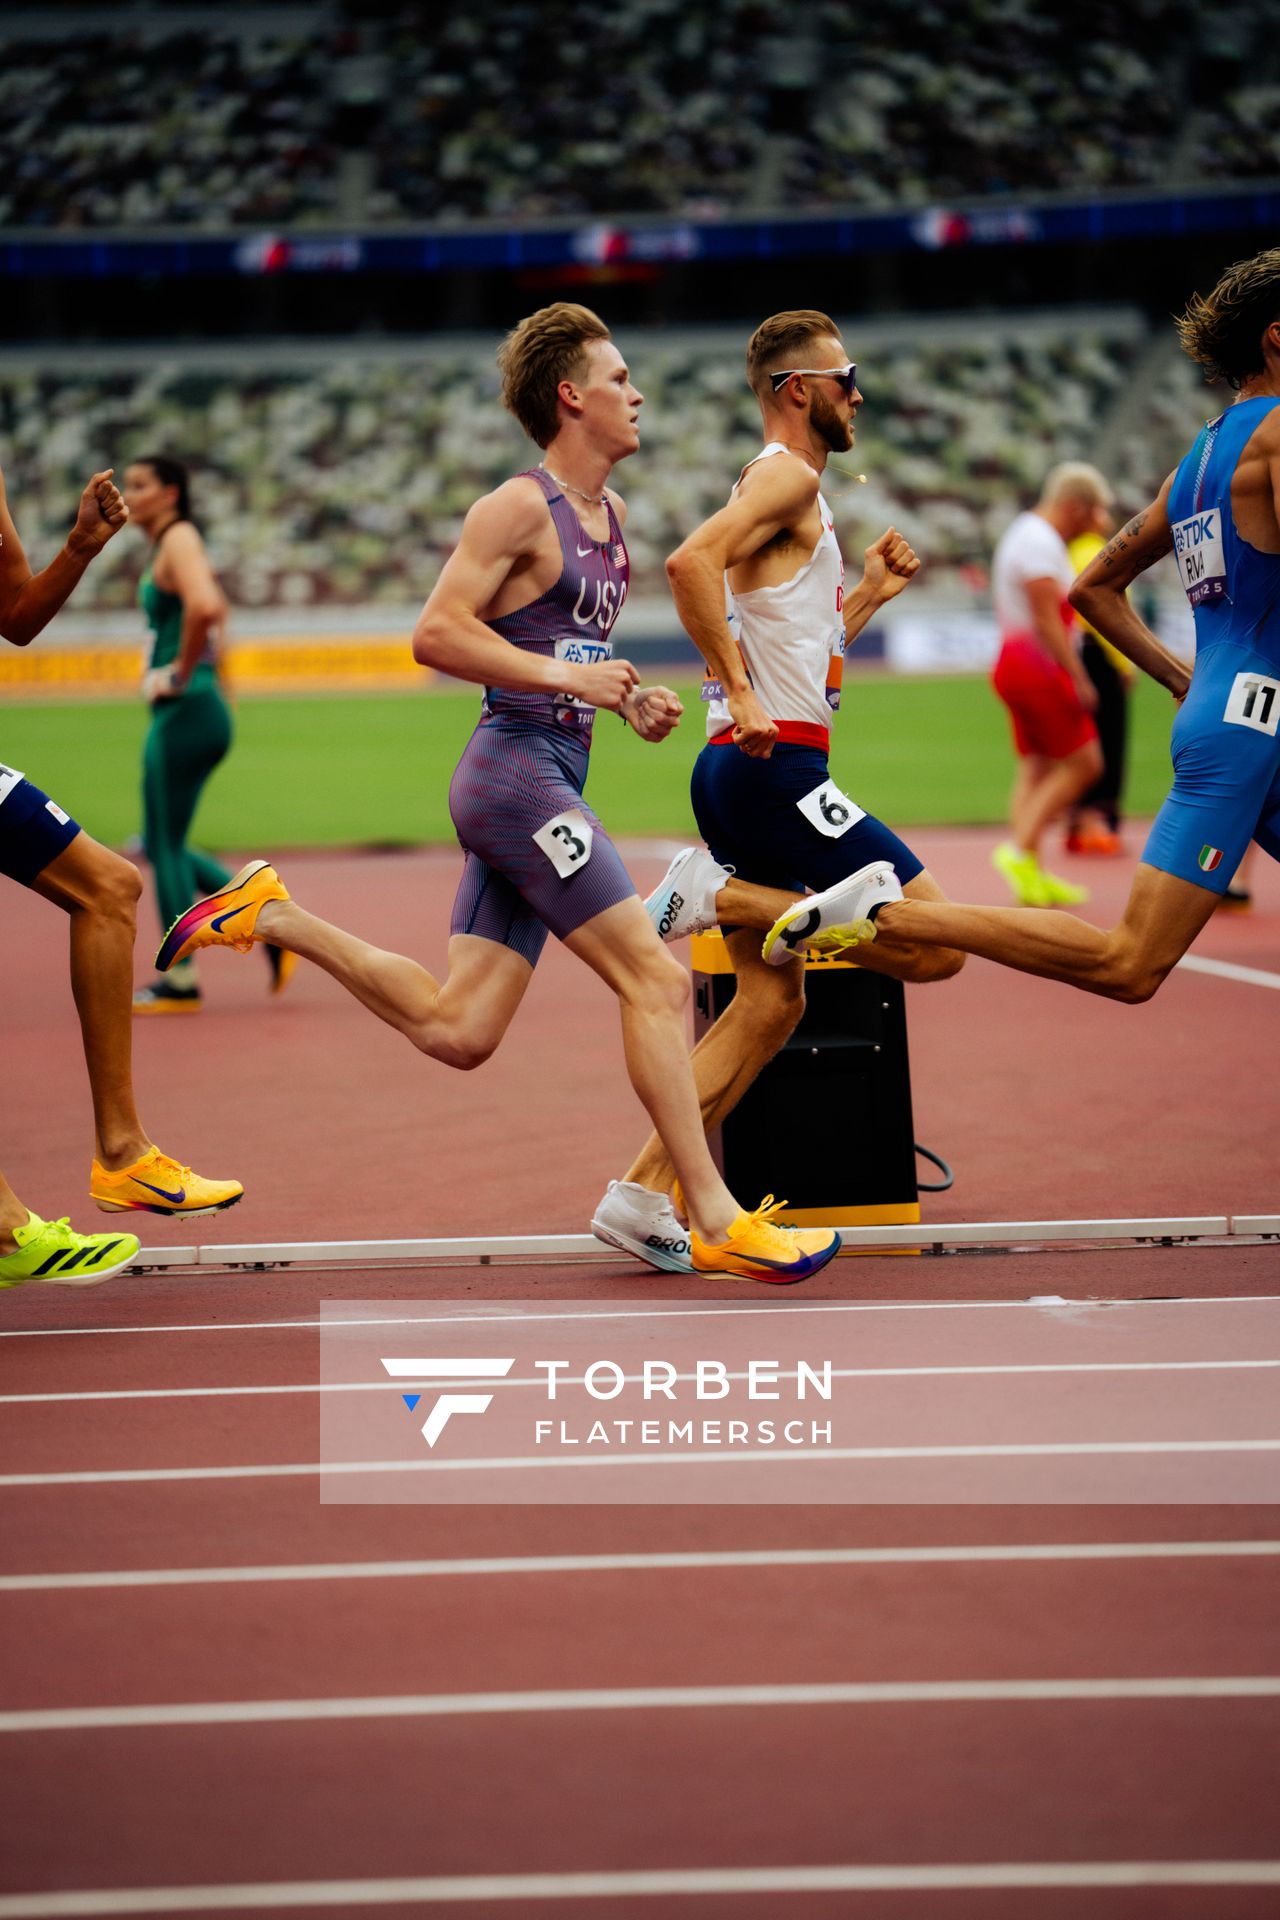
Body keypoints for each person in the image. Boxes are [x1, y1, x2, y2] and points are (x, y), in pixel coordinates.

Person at [152, 303, 841, 1284]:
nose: (637, 394)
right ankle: (713, 1212)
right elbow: (436, 634)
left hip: (546, 770)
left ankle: (275, 914)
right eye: (618, 380)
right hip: (511, 776)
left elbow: (557, 654)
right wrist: (569, 682)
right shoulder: (518, 506)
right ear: (571, 397)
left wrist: (621, 699)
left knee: (460, 1030)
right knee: (653, 977)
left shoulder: (612, 523)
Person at [784, 247, 1280, 1010]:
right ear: (1276, 339)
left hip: (1224, 712)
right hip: (1256, 718)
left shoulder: (1199, 458)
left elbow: (1094, 587)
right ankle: (889, 913)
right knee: (1129, 962)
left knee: (1128, 958)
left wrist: (1188, 682)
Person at [590, 309, 963, 1273]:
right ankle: (716, 894)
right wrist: (746, 694)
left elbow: (792, 629)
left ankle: (640, 1194)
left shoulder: (790, 491)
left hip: (749, 772)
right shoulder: (786, 473)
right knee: (933, 941)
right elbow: (688, 564)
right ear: (797, 388)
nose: (858, 394)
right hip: (773, 771)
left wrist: (870, 592)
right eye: (847, 377)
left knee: (769, 1008)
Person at [0, 466, 243, 1292]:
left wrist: (78, 548)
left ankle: (122, 1155)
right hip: (183, 704)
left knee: (113, 884)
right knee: (135, 867)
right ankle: (11, 1225)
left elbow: (16, 619)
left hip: (183, 707)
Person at [123, 456, 292, 1013]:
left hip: (187, 706)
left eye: (141, 485)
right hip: (195, 704)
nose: (130, 494)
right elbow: (210, 611)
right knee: (159, 839)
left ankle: (181, 979)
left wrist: (181, 672)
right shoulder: (171, 542)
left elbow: (206, 604)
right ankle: (273, 922)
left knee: (164, 845)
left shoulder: (179, 537)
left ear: (171, 492)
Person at [987, 464, 1110, 906]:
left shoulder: (1026, 533)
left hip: (1016, 661)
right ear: (1073, 506)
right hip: (1037, 665)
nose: (1097, 523)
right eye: (1092, 512)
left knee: (1036, 765)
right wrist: (1079, 678)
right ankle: (1020, 852)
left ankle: (1029, 872)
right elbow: (1047, 619)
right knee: (1086, 764)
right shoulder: (1040, 542)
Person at [1065, 495, 1135, 856]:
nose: (1107, 517)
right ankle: (1096, 821)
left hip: (1079, 652)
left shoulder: (1066, 551)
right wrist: (1125, 664)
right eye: (1102, 509)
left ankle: (1079, 820)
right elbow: (1103, 611)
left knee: (1082, 739)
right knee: (1109, 739)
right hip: (1100, 654)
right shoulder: (1097, 550)